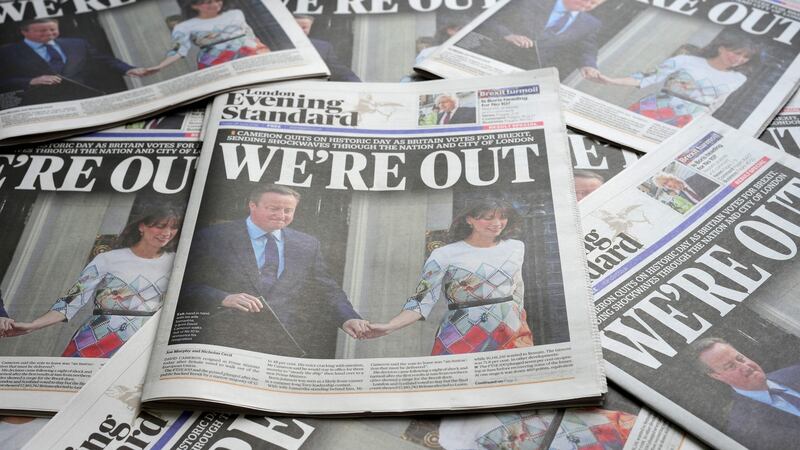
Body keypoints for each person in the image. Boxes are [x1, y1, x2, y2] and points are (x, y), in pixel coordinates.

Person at [179, 184, 369, 357]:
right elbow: (184, 284)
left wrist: (348, 318)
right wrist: (223, 297)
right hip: (223, 339)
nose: (281, 215)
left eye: (288, 210)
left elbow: (327, 290)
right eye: (274, 208)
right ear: (252, 205)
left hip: (281, 343)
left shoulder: (306, 244)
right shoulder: (214, 236)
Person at [2, 206, 181, 358]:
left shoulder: (178, 261)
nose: (166, 233)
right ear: (142, 226)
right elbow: (72, 300)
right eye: (160, 226)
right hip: (96, 338)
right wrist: (32, 326)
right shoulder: (107, 259)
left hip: (145, 344)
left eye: (173, 228)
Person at [365, 199, 534, 355]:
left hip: (511, 332)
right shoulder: (443, 254)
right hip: (461, 333)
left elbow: (518, 289)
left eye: (502, 217)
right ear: (470, 220)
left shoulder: (516, 247)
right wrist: (390, 326)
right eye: (488, 218)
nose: (497, 224)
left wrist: (519, 324)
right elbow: (421, 300)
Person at [584, 36, 759, 127]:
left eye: (745, 57)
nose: (739, 59)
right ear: (722, 48)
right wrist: (611, 80)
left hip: (689, 119)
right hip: (655, 107)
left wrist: (697, 125)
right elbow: (648, 77)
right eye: (736, 52)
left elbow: (716, 104)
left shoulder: (738, 78)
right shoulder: (685, 60)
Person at [0, 18, 153, 106]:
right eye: (42, 31)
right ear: (24, 32)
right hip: (39, 105)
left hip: (81, 100)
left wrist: (128, 69)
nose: (49, 34)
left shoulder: (77, 43)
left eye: (52, 29)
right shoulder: (6, 52)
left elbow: (106, 60)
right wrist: (31, 81)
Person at [691, 337, 800, 449]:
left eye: (740, 358)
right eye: (731, 366)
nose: (746, 367)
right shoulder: (744, 428)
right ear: (716, 376)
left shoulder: (795, 371)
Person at [483, 0, 606, 80]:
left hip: (530, 71)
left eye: (593, 3)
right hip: (493, 56)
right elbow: (488, 18)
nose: (587, 4)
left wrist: (588, 65)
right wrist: (508, 35)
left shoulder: (591, 24)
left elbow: (587, 47)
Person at [148, 0, 269, 71]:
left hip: (248, 49)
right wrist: (159, 66)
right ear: (195, 5)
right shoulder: (185, 27)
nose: (216, 5)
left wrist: (256, 44)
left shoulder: (235, 13)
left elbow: (248, 31)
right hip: (213, 59)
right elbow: (178, 50)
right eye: (209, 2)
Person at [294, 15, 360, 82]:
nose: (300, 30)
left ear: (310, 28)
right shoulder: (282, 45)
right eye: (297, 27)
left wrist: (361, 86)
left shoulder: (323, 47)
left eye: (304, 27)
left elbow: (340, 71)